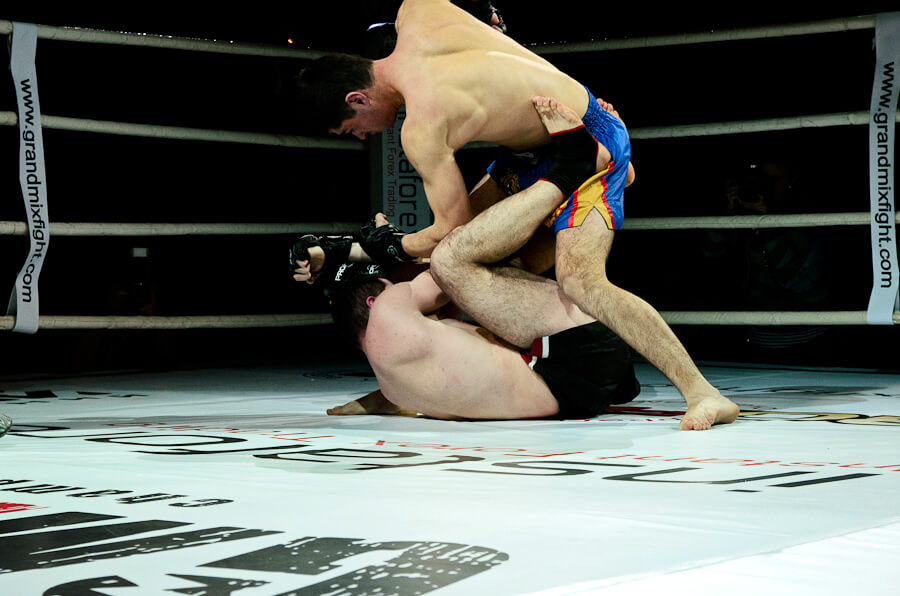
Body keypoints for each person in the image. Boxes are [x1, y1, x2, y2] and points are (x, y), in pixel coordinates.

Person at [298, 98, 739, 429]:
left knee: (471, 262)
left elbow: (428, 260)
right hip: (575, 356)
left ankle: (603, 174)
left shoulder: (395, 381)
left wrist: (345, 255)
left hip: (573, 390)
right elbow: (433, 265)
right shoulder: (391, 314)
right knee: (452, 260)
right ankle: (575, 170)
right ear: (373, 300)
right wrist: (359, 252)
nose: (398, 284)